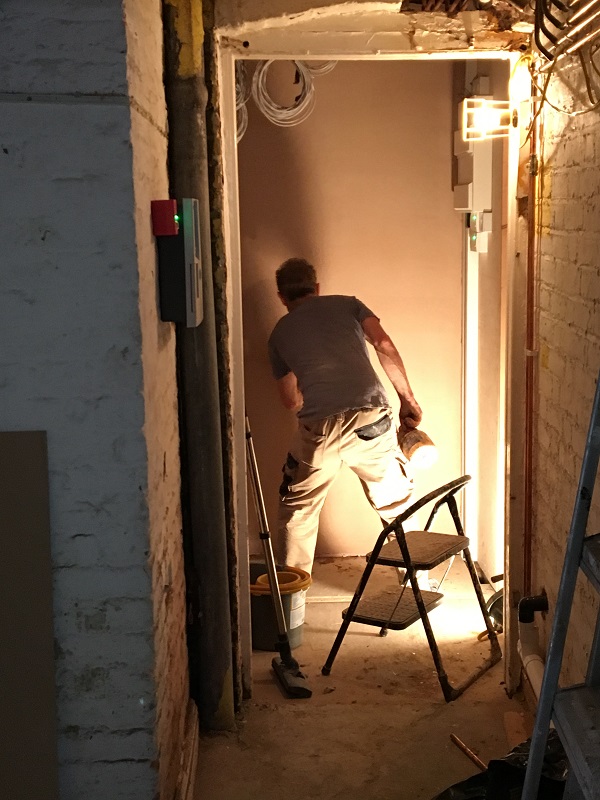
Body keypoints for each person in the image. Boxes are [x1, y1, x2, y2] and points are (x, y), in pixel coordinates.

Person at [268, 257, 423, 575]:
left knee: (298, 511)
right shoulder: (349, 305)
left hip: (318, 430)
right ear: (317, 288)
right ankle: (417, 586)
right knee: (396, 503)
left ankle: (289, 603)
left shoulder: (279, 335)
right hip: (370, 422)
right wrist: (407, 400)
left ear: (282, 297)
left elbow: (289, 401)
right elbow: (383, 344)